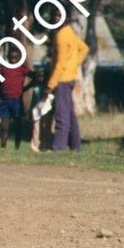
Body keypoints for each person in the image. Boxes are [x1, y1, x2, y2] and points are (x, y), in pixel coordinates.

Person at [46, 16, 89, 152]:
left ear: (65, 18)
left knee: (61, 115)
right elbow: (84, 48)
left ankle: (59, 147)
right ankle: (75, 145)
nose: (55, 18)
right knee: (70, 113)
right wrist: (73, 64)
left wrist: (50, 84)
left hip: (62, 80)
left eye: (59, 15)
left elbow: (60, 63)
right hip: (70, 77)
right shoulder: (69, 32)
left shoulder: (61, 36)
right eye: (55, 15)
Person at [0, 53, 31, 149]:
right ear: (8, 58)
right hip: (4, 100)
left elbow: (34, 76)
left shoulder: (22, 68)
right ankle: (3, 147)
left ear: (19, 58)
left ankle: (17, 147)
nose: (13, 60)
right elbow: (0, 83)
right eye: (11, 57)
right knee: (4, 126)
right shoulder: (4, 68)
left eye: (15, 58)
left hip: (17, 100)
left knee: (18, 125)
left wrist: (24, 88)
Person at [24, 67, 50, 153]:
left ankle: (45, 145)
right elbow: (32, 98)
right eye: (39, 76)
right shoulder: (35, 86)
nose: (40, 78)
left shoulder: (48, 87)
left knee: (45, 127)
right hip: (36, 109)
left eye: (42, 76)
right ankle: (35, 145)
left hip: (45, 109)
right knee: (36, 127)